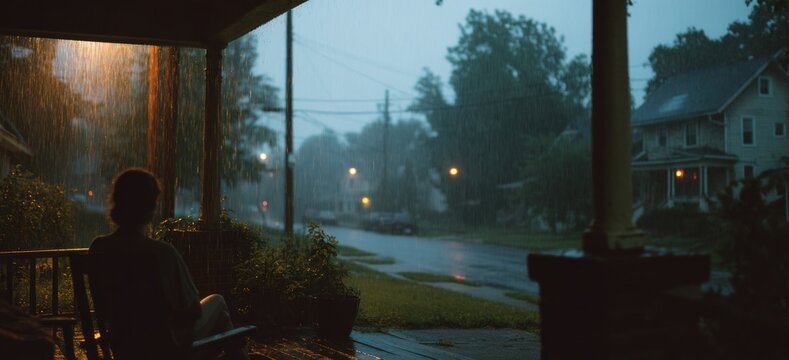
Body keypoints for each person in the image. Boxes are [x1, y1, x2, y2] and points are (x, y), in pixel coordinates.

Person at [89, 168, 248, 360]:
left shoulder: (99, 247)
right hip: (167, 350)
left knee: (221, 318)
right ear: (150, 208)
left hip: (125, 348)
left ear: (116, 202)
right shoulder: (160, 253)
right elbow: (192, 311)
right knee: (218, 304)